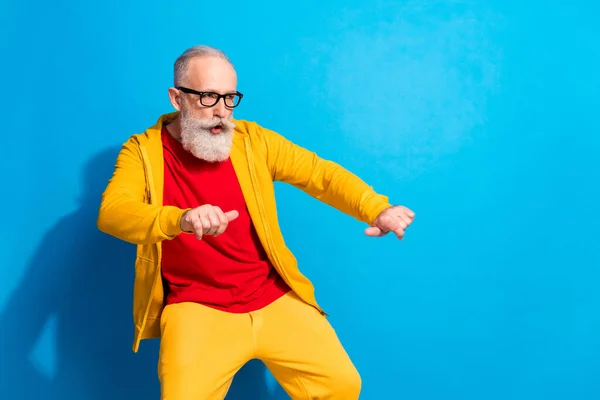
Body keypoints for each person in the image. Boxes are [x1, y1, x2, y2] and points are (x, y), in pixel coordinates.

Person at [97, 45, 415, 400]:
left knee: (342, 385)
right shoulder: (141, 152)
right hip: (197, 308)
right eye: (207, 97)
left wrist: (376, 208)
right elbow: (113, 211)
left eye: (230, 98)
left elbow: (319, 174)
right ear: (176, 98)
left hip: (271, 296)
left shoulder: (254, 141)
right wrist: (180, 218)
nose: (221, 111)